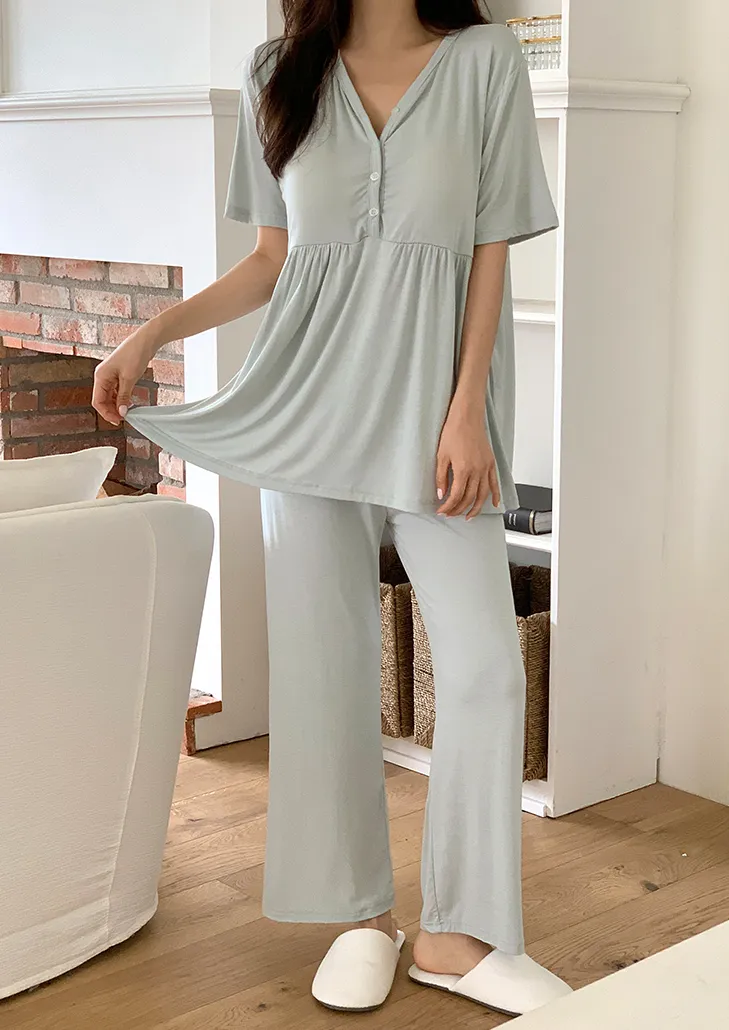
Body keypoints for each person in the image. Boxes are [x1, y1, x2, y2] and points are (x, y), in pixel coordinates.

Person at [92, 0, 571, 1018]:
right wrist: (152, 334)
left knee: (486, 669)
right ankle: (360, 916)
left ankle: (458, 933)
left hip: (439, 425)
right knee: (324, 669)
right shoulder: (278, 72)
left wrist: (470, 410)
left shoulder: (484, 61)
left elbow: (490, 246)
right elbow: (275, 260)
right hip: (306, 417)